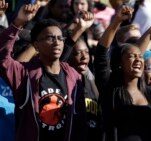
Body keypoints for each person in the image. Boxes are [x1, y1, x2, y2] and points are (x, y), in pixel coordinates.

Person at [0, 3, 86, 141]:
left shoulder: (73, 76)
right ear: (36, 45)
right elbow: (2, 58)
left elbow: (79, 121)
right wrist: (18, 22)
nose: (57, 42)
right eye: (50, 38)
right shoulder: (24, 73)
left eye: (60, 38)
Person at [94, 5, 151, 141]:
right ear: (119, 64)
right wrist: (117, 21)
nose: (138, 60)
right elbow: (101, 53)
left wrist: (150, 32)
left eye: (140, 57)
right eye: (131, 57)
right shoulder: (111, 88)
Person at [68, 37, 102, 141]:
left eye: (87, 52)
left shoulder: (92, 82)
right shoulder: (64, 83)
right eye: (78, 53)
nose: (84, 57)